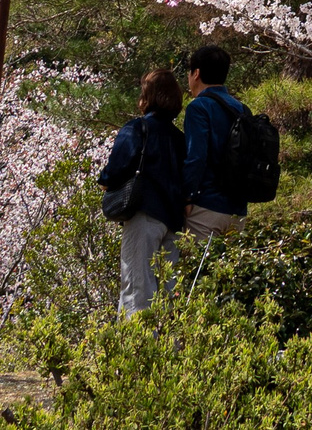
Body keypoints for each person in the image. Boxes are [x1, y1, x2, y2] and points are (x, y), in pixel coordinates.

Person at [100, 68, 186, 314]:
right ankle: (169, 339)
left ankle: (137, 338)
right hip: (175, 221)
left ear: (147, 96)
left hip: (145, 214)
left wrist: (105, 181)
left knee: (137, 288)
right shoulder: (180, 138)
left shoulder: (138, 128)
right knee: (169, 291)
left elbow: (116, 167)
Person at [181, 43, 249, 239]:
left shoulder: (199, 107)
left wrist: (187, 197)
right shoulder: (242, 109)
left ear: (196, 73)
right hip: (238, 210)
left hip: (206, 207)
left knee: (197, 260)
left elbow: (196, 156)